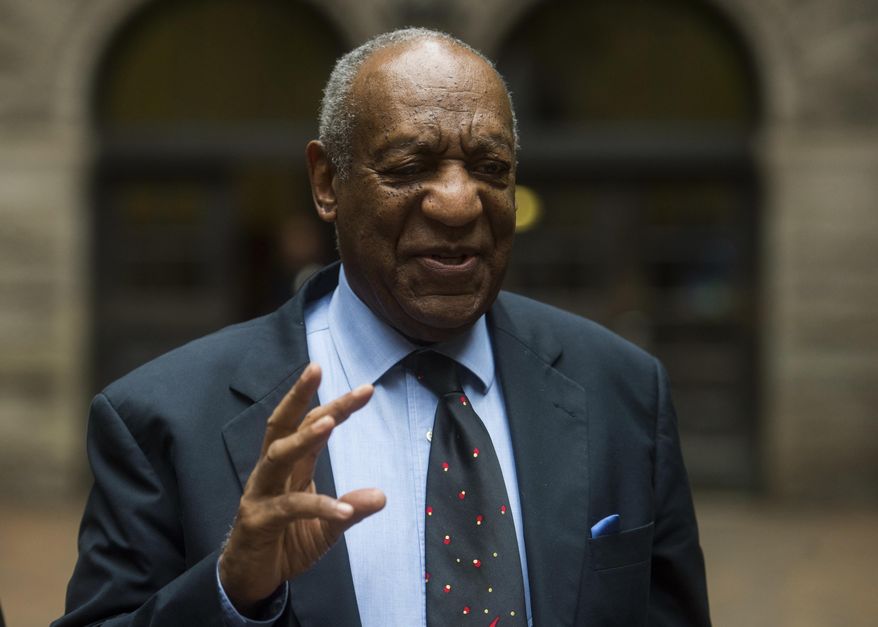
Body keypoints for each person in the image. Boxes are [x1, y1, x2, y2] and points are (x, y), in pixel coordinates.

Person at [56, 28, 710, 626]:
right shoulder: (161, 419)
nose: (458, 203)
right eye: (408, 168)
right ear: (327, 182)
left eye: (490, 169)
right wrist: (232, 588)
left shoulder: (623, 388)